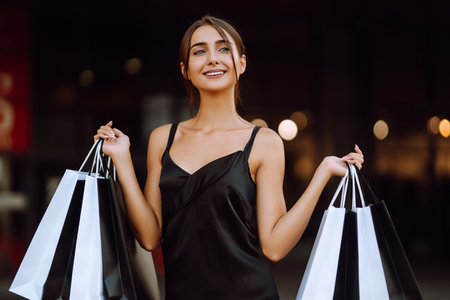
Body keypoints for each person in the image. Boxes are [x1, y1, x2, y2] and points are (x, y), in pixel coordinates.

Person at [94, 15, 364, 300]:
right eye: (199, 51)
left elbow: (274, 246)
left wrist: (321, 174)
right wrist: (121, 160)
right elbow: (149, 237)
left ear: (242, 63)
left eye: (223, 49)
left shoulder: (264, 141)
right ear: (185, 70)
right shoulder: (163, 138)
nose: (212, 58)